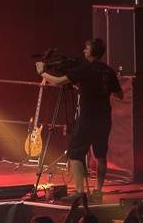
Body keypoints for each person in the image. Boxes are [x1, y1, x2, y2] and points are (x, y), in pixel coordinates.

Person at [36, 38, 123, 202]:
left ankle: (79, 192)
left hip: (88, 118)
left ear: (92, 52)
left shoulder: (85, 69)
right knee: (100, 155)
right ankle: (98, 191)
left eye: (86, 48)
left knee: (75, 153)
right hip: (104, 118)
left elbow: (59, 81)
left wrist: (42, 73)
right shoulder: (108, 71)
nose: (84, 51)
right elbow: (120, 94)